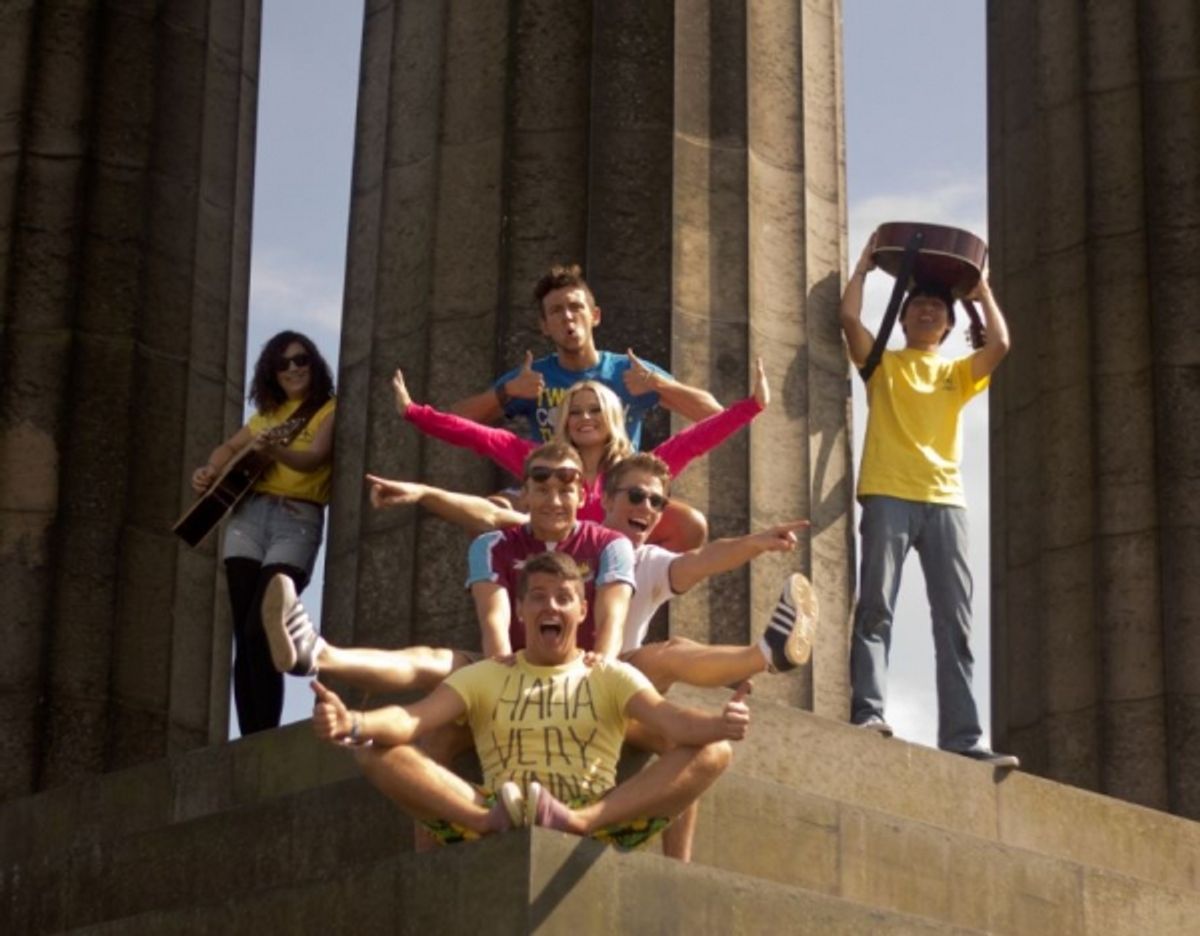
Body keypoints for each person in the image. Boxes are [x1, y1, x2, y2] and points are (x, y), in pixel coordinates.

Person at [309, 552, 750, 850]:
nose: (550, 608)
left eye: (564, 598)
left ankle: (581, 819)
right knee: (371, 752)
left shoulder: (611, 674)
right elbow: (413, 720)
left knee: (715, 752)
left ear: (582, 611)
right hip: (493, 808)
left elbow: (673, 725)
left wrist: (721, 725)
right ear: (520, 610)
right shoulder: (485, 675)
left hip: (595, 817)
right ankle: (485, 821)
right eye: (538, 597)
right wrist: (353, 723)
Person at [840, 231, 1017, 767]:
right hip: (888, 494)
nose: (924, 311)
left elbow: (1001, 345)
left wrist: (981, 291)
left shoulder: (957, 373)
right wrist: (864, 268)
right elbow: (849, 321)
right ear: (904, 318)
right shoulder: (882, 365)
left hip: (945, 501)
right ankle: (869, 713)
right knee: (876, 609)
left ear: (947, 324)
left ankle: (964, 738)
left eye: (935, 308)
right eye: (917, 305)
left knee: (955, 623)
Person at [392, 358, 767, 551]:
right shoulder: (543, 461)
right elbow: (478, 435)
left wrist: (751, 406)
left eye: (593, 410)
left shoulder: (633, 475)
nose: (584, 418)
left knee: (690, 525)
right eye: (574, 411)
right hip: (552, 572)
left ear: (612, 417)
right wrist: (413, 412)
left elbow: (693, 441)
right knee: (499, 511)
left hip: (613, 576)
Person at [190, 330, 335, 735]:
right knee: (244, 632)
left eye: (301, 359)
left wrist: (278, 452)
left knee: (262, 625)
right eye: (283, 363)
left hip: (298, 518)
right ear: (271, 372)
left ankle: (265, 731)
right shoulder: (266, 416)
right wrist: (209, 470)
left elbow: (315, 458)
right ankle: (254, 734)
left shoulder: (328, 409)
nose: (293, 369)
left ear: (313, 364)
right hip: (248, 519)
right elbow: (226, 449)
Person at [449, 263, 722, 449]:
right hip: (554, 494)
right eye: (556, 310)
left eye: (576, 307)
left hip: (618, 496)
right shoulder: (532, 379)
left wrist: (657, 384)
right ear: (544, 326)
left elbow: (716, 416)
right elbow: (449, 426)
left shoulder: (627, 371)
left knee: (690, 524)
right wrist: (507, 392)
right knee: (494, 512)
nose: (568, 316)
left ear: (595, 316)